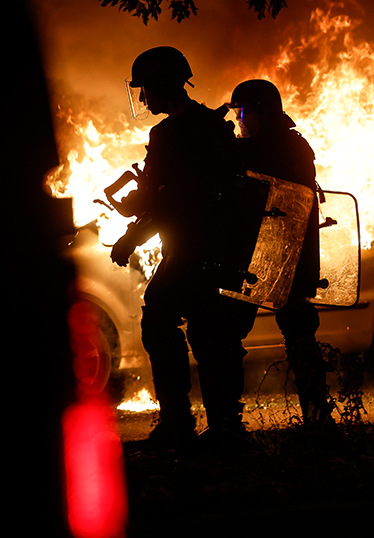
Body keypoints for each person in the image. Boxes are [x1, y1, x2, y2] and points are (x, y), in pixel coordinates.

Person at [110, 47, 256, 447]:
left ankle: (178, 421)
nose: (143, 99)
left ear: (161, 84)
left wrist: (130, 235)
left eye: (145, 89)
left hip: (191, 248)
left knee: (159, 318)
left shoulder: (169, 134)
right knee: (211, 333)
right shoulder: (214, 126)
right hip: (223, 250)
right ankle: (225, 424)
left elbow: (167, 202)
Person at [228, 79, 334, 423]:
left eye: (243, 112)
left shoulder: (271, 149)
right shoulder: (295, 145)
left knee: (229, 330)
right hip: (282, 254)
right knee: (296, 329)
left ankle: (229, 421)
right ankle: (318, 416)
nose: (241, 121)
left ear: (261, 111)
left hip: (273, 253)